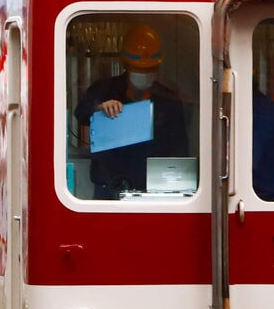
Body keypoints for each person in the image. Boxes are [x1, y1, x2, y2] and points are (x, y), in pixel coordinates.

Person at [74, 24, 189, 199]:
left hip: (155, 189)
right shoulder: (105, 89)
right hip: (109, 186)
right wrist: (98, 108)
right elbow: (81, 113)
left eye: (149, 69)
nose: (144, 73)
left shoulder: (169, 100)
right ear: (125, 65)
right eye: (138, 68)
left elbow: (181, 150)